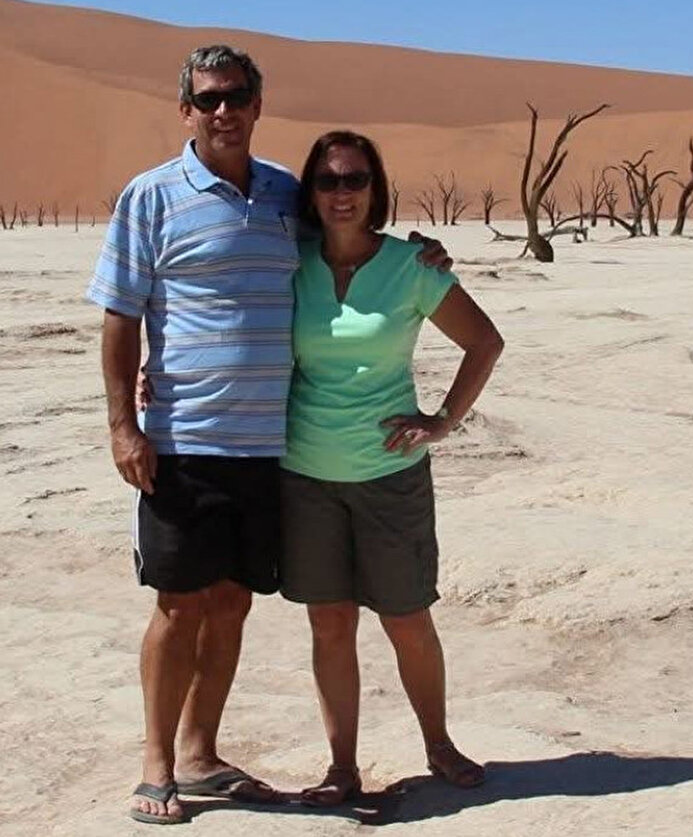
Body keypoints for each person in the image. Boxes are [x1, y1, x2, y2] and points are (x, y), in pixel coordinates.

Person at [88, 45, 450, 826]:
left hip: (268, 445)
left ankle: (200, 753)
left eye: (236, 96)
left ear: (257, 104)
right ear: (186, 109)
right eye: (208, 98)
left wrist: (422, 251)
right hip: (184, 438)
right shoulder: (150, 197)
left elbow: (350, 240)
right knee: (178, 603)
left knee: (231, 602)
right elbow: (119, 318)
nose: (223, 111)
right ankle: (157, 765)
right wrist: (123, 425)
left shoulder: (288, 193)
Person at [279, 131, 504, 805]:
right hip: (307, 475)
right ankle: (341, 767)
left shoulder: (413, 266)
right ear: (311, 192)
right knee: (330, 624)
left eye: (355, 179)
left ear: (375, 188)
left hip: (390, 476)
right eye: (327, 181)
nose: (341, 193)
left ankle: (438, 743)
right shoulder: (291, 262)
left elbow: (484, 341)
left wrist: (443, 420)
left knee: (407, 617)